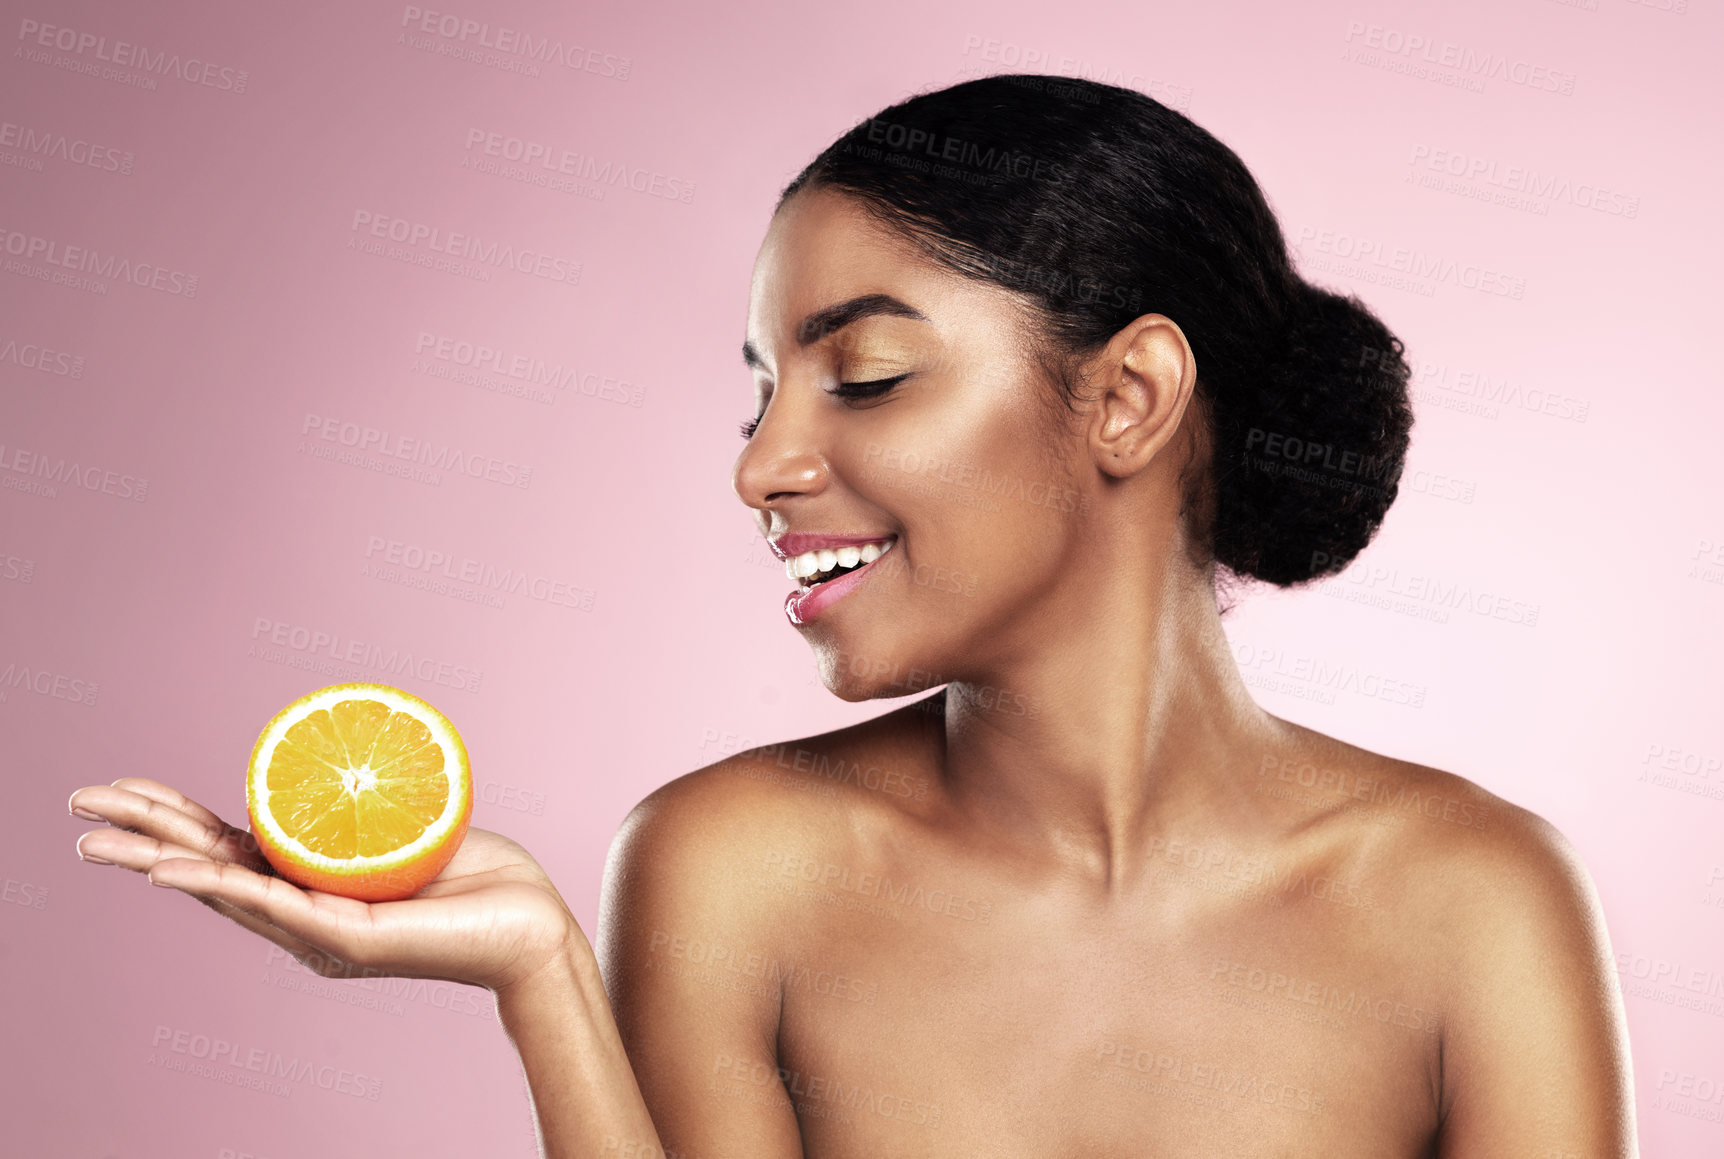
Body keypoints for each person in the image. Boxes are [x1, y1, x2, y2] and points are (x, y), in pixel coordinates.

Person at [68, 74, 1637, 1157]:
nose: (763, 465)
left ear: (1130, 396)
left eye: (866, 373)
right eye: (759, 389)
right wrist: (543, 978)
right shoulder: (731, 868)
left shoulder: (1473, 901)